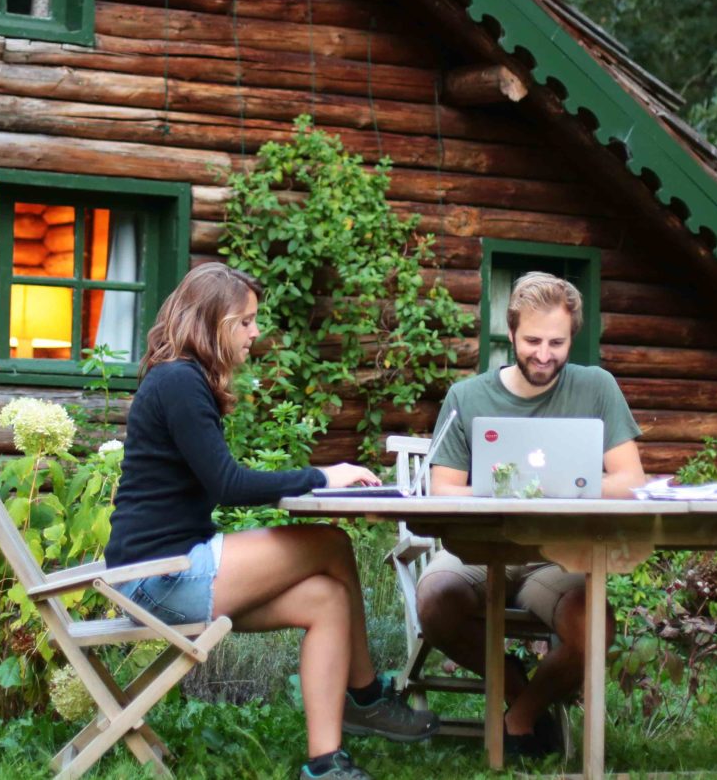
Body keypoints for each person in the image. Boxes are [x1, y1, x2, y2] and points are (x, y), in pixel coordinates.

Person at [106, 262, 437, 780]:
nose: (255, 333)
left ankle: (325, 764)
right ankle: (369, 698)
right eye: (246, 321)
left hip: (169, 571)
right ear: (213, 322)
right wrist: (323, 476)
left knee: (328, 600)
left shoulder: (181, 379)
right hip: (158, 577)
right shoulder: (179, 381)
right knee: (330, 544)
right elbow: (228, 485)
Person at [416, 272, 645, 759]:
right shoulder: (468, 397)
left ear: (573, 337)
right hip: (479, 551)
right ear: (511, 333)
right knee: (435, 600)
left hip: (557, 559)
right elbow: (443, 488)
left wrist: (555, 489)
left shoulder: (596, 387)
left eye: (557, 342)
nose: (544, 354)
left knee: (595, 626)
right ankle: (516, 683)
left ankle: (521, 713)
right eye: (533, 340)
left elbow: (631, 480)